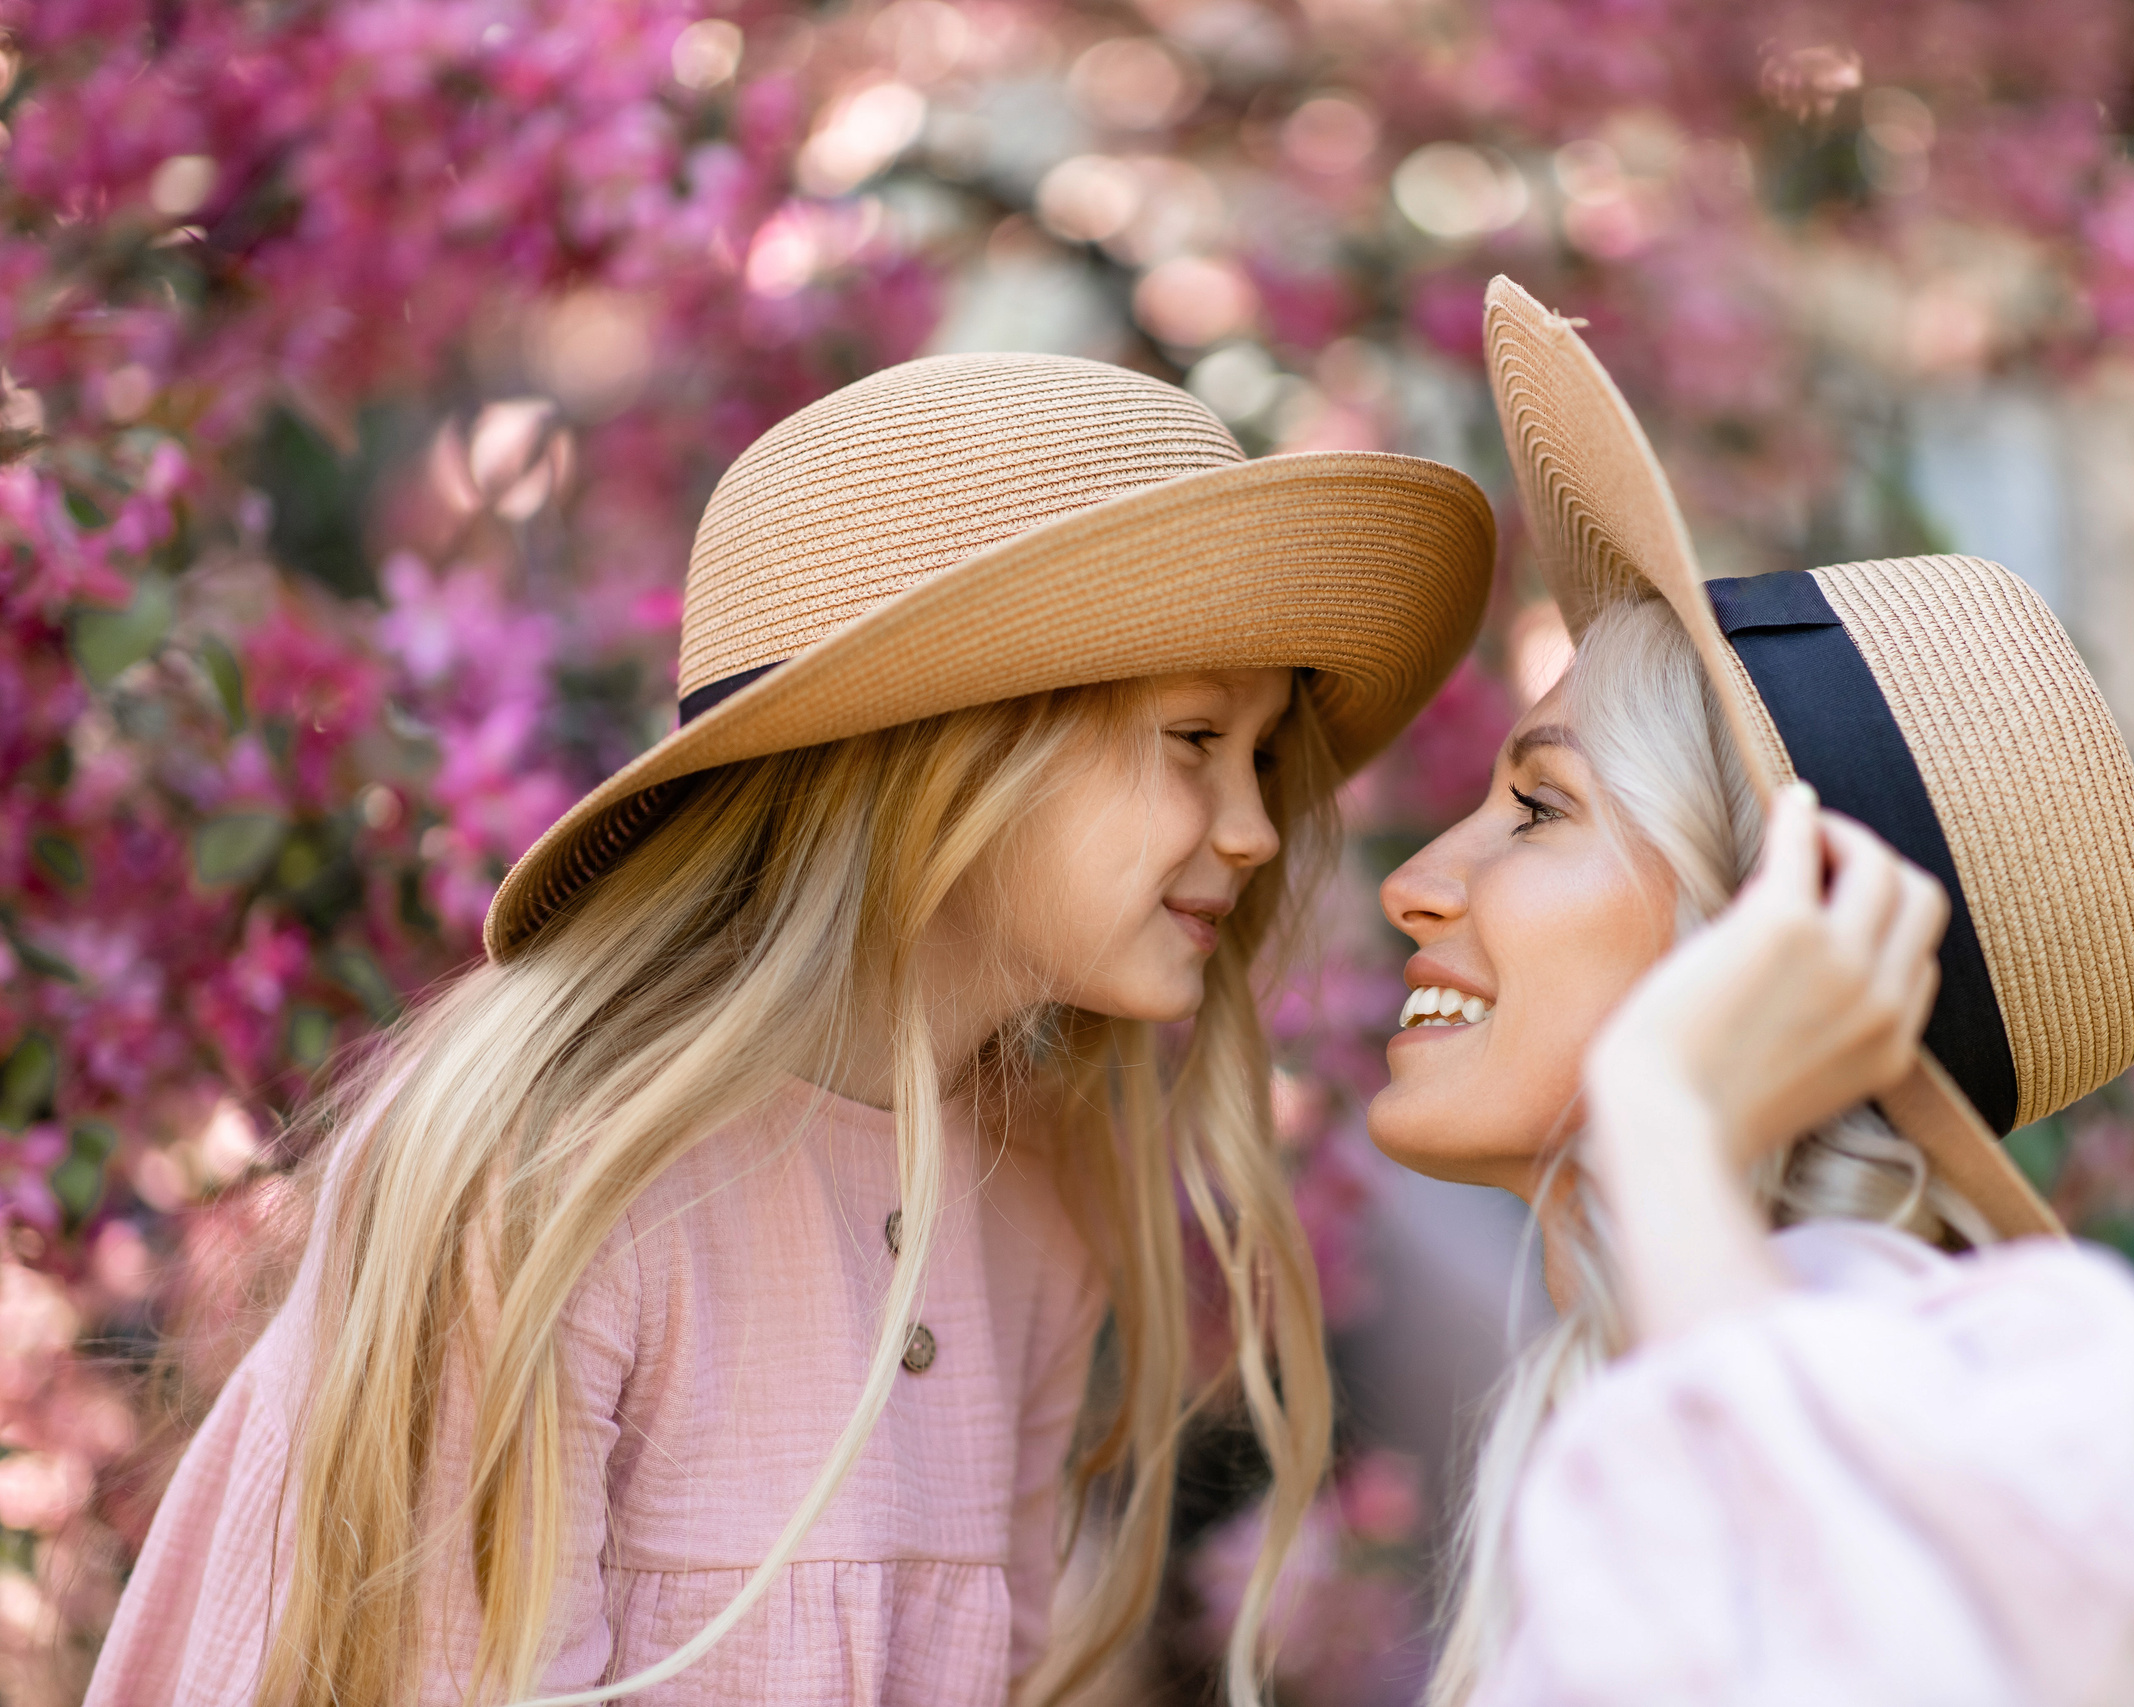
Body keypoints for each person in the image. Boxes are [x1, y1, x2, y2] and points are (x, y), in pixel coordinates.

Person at [86, 353, 1494, 1707]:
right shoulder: (567, 1185)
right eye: (1194, 739)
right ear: (944, 746)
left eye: (1261, 759)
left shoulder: (1034, 1209)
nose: (1253, 830)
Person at [1361, 280, 2134, 1705]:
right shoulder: (1659, 1380)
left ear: (1768, 935)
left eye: (1542, 809)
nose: (1418, 881)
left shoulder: (1956, 1393)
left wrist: (1667, 1120)